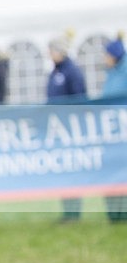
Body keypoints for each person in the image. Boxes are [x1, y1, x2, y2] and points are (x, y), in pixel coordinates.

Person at [46, 36, 87, 222]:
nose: (49, 55)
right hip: (57, 128)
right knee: (63, 171)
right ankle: (68, 211)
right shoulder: (54, 72)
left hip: (70, 129)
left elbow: (79, 98)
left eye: (51, 51)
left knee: (72, 171)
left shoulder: (72, 71)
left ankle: (74, 212)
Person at [101, 34, 127, 223]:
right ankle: (114, 213)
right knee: (110, 173)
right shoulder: (110, 74)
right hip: (110, 131)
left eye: (107, 54)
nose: (104, 58)